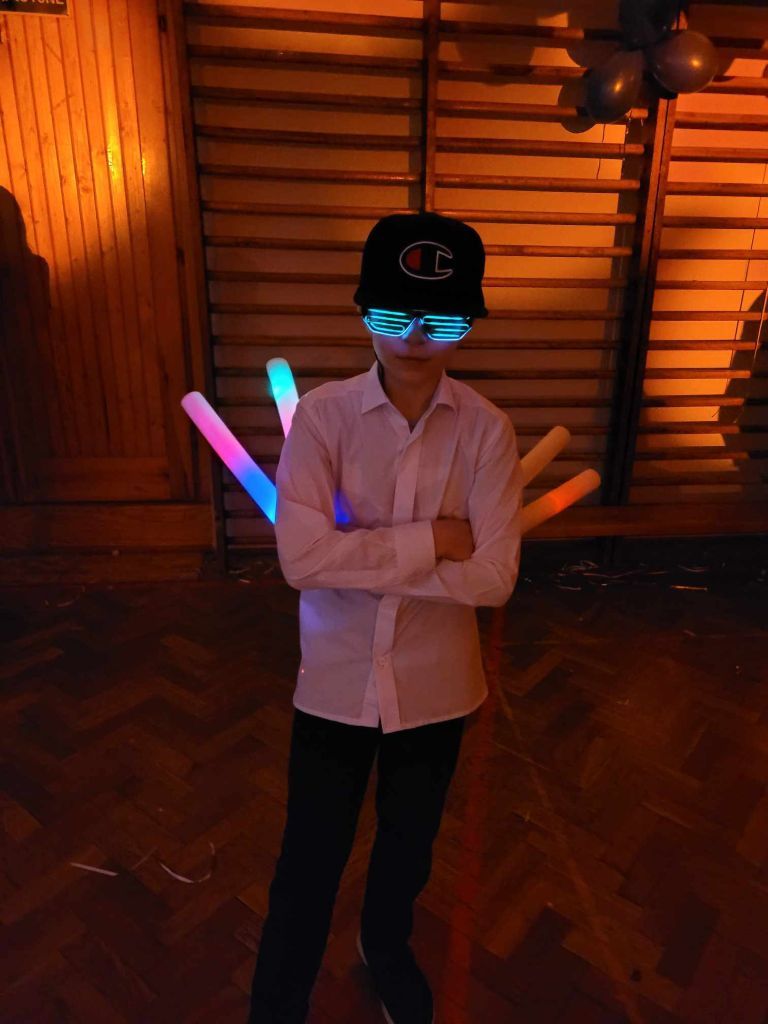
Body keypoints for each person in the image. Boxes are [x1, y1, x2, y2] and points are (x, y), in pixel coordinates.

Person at [248, 211, 524, 1024]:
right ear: (362, 309)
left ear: (469, 322)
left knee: (409, 847)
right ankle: (278, 1001)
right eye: (392, 312)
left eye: (441, 320)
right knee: (308, 859)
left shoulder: (488, 431)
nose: (412, 336)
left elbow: (495, 579)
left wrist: (358, 558)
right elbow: (300, 562)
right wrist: (435, 540)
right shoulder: (322, 419)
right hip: (333, 685)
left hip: (439, 689)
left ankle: (386, 946)